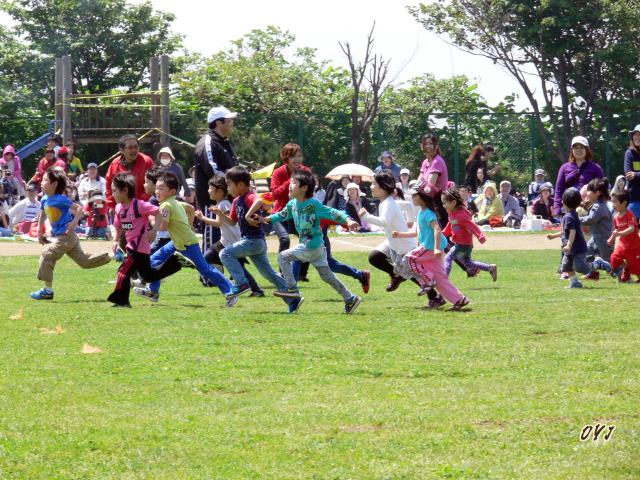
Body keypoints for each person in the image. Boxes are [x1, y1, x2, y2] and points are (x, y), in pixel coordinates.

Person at [257, 169, 363, 314]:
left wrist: (348, 220)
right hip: (316, 247)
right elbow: (282, 215)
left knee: (283, 256)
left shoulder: (313, 205)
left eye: (293, 183)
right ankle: (350, 298)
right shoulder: (292, 204)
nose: (289, 185)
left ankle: (292, 289)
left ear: (304, 188)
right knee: (327, 277)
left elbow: (333, 212)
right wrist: (266, 219)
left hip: (311, 246)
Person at [133, 173, 236, 306]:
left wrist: (151, 218)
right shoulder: (174, 201)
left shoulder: (165, 205)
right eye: (157, 188)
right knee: (153, 261)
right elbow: (191, 208)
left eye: (161, 188)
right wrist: (189, 225)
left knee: (205, 269)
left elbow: (163, 227)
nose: (157, 191)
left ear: (172, 191)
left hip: (187, 243)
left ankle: (230, 291)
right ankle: (153, 292)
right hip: (177, 242)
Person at [361, 172, 444, 307]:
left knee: (412, 273)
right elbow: (407, 205)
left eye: (373, 184)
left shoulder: (388, 203)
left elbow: (384, 222)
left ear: (383, 187)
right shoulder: (386, 202)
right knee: (375, 257)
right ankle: (396, 275)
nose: (371, 187)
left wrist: (366, 216)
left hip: (403, 245)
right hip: (393, 243)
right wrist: (410, 221)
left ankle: (435, 297)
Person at [29, 168, 111, 300]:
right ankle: (113, 256)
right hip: (68, 238)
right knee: (84, 262)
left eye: (45, 180)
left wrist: (74, 222)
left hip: (66, 237)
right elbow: (43, 215)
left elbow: (79, 208)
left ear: (54, 184)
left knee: (47, 255)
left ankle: (47, 290)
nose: (42, 182)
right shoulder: (44, 199)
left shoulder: (61, 199)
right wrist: (39, 231)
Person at [107, 173, 182, 307]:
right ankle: (176, 263)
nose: (112, 194)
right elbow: (118, 226)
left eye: (114, 191)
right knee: (148, 276)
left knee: (122, 271)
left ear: (125, 191)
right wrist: (115, 240)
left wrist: (154, 230)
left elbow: (158, 212)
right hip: (135, 248)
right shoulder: (118, 208)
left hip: (137, 248)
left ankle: (122, 301)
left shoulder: (139, 205)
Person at [393, 190, 470, 311]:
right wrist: (399, 234)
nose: (412, 197)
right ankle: (459, 300)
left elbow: (437, 229)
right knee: (439, 278)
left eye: (415, 195)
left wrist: (436, 248)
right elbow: (416, 233)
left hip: (431, 247)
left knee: (409, 258)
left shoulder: (428, 213)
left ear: (423, 198)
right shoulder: (420, 213)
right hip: (431, 247)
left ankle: (428, 281)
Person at [195, 174, 264, 296]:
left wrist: (202, 218)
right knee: (207, 258)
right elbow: (221, 223)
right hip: (224, 241)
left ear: (220, 191)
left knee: (208, 259)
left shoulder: (224, 204)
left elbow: (220, 223)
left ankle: (253, 289)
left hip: (232, 242)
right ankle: (248, 288)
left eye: (210, 188)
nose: (208, 191)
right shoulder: (222, 203)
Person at [546, 188, 610, 288]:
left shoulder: (569, 217)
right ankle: (575, 282)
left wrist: (568, 245)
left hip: (577, 248)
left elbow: (572, 232)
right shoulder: (569, 216)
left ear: (564, 202)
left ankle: (597, 263)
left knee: (581, 267)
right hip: (569, 249)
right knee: (566, 266)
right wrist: (554, 236)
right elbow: (565, 232)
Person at [270, 143, 311, 280]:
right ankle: (284, 273)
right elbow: (275, 194)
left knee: (307, 239)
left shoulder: (306, 171)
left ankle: (301, 274)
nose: (298, 160)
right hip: (280, 213)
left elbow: (309, 193)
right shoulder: (278, 172)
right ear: (286, 158)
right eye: (294, 156)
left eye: (299, 156)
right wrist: (291, 181)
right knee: (284, 239)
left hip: (299, 213)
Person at [441, 188, 497, 280]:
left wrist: (480, 236)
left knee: (448, 258)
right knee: (468, 263)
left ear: (453, 203)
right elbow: (450, 224)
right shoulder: (452, 214)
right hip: (464, 245)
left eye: (445, 202)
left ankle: (444, 280)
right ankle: (490, 268)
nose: (443, 205)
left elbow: (472, 225)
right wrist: (443, 234)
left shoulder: (461, 215)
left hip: (462, 244)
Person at [194, 106, 238, 212]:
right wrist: (236, 182)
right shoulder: (208, 142)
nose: (232, 123)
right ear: (218, 123)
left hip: (227, 200)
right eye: (229, 120)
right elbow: (214, 171)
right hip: (212, 204)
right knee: (213, 229)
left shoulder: (223, 141)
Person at [553, 136, 604, 218]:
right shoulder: (564, 167)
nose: (578, 150)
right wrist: (557, 208)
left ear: (587, 150)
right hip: (568, 208)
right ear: (572, 150)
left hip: (589, 209)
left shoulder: (596, 168)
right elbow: (559, 189)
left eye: (581, 147)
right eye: (575, 148)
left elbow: (601, 189)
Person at [105, 134, 154, 212]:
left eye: (136, 147)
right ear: (122, 150)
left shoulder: (147, 161)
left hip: (143, 207)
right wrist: (112, 205)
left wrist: (138, 203)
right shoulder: (114, 164)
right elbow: (109, 186)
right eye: (130, 148)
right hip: (121, 209)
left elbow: (153, 184)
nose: (134, 150)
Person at [580, 178, 613, 281]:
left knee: (609, 261)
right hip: (596, 237)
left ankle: (622, 272)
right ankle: (592, 273)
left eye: (589, 191)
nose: (587, 193)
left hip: (603, 239)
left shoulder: (598, 206)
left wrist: (577, 219)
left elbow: (591, 219)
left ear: (597, 193)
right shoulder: (598, 205)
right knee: (587, 253)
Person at [608, 192, 640, 281]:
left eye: (615, 202)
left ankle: (628, 272)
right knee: (614, 258)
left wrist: (619, 234)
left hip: (634, 246)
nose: (613, 205)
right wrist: (611, 238)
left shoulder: (630, 214)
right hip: (622, 246)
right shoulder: (615, 217)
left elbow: (631, 229)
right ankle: (626, 268)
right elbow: (617, 230)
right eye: (612, 202)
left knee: (637, 268)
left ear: (624, 203)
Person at [418, 133, 449, 227]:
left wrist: (417, 190)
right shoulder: (425, 162)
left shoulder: (437, 161)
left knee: (442, 233)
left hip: (439, 201)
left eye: (430, 143)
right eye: (425, 144)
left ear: (436, 146)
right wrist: (413, 190)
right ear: (421, 146)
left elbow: (430, 186)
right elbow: (420, 180)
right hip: (429, 199)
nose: (428, 146)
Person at [623, 124, 640, 220]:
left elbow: (633, 174)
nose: (637, 137)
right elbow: (628, 174)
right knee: (631, 231)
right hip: (634, 200)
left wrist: (636, 174)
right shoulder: (629, 153)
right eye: (635, 134)